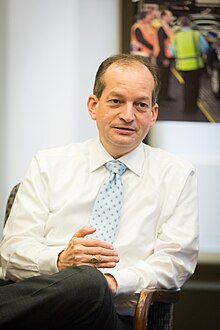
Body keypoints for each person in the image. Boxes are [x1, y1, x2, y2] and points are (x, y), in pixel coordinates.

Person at [0, 54, 199, 329]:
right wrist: (60, 261)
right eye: (116, 101)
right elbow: (11, 253)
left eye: (140, 105)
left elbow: (176, 263)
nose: (128, 115)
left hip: (112, 318)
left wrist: (113, 282)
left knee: (92, 283)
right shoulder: (48, 164)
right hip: (38, 314)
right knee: (84, 281)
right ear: (94, 106)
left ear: (152, 114)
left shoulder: (176, 175)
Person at [171, 15, 208, 113]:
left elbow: (172, 51)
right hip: (196, 65)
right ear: (190, 24)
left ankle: (187, 108)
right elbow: (205, 48)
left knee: (186, 87)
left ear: (180, 25)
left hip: (183, 66)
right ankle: (194, 106)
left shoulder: (176, 36)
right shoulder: (196, 34)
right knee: (196, 86)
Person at [156, 9, 175, 102]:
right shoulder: (161, 29)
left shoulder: (167, 27)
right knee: (162, 78)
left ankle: (166, 96)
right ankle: (160, 98)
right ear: (163, 17)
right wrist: (164, 58)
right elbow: (161, 45)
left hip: (168, 56)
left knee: (166, 78)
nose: (171, 18)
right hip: (163, 57)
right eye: (169, 16)